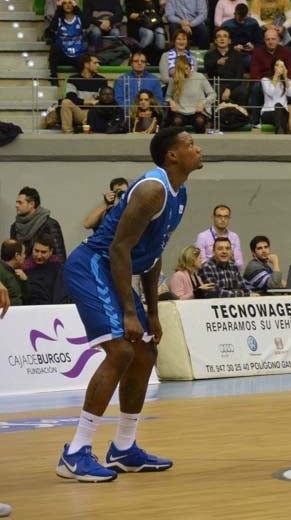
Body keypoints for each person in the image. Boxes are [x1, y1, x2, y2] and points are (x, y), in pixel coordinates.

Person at [56, 127, 202, 482]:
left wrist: (152, 311)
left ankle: (124, 448)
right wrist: (127, 311)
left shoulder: (178, 194)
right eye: (190, 145)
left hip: (116, 269)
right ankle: (75, 453)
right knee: (121, 350)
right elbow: (119, 248)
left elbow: (151, 256)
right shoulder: (152, 190)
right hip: (94, 263)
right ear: (172, 155)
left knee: (145, 352)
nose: (198, 149)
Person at [10, 186, 65, 262]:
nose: (16, 205)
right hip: (20, 271)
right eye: (16, 202)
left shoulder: (50, 224)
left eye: (20, 203)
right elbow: (12, 254)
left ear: (31, 204)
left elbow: (60, 256)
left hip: (45, 272)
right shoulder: (15, 227)